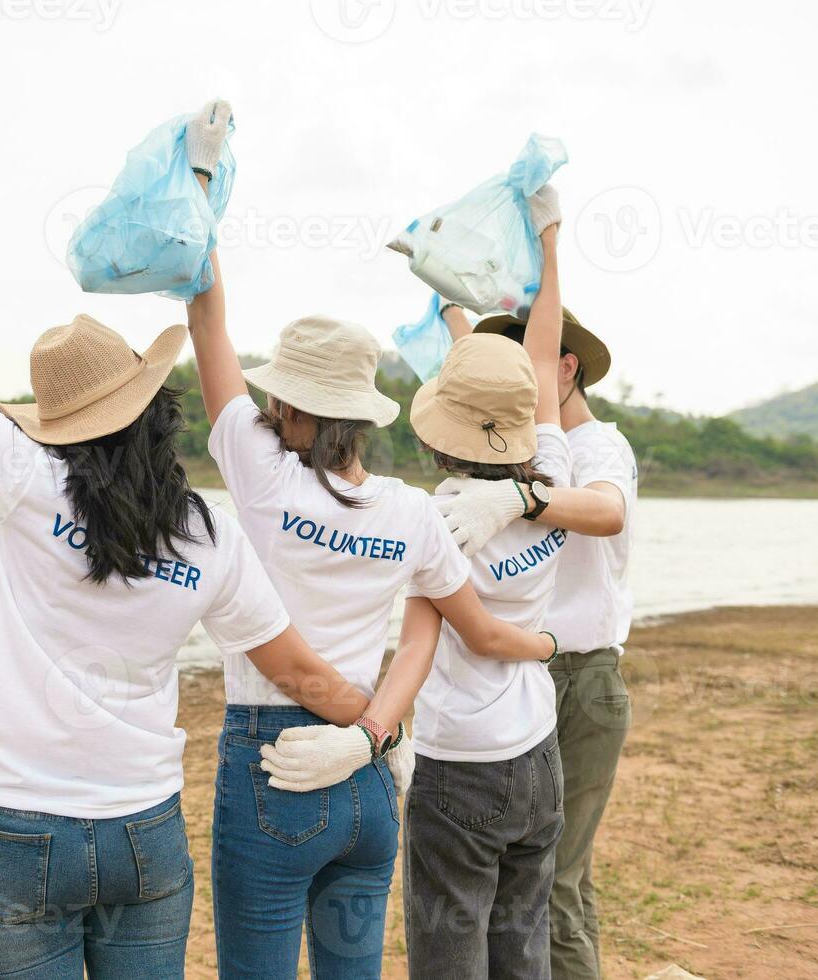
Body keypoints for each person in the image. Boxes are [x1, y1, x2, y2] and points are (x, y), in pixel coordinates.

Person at [0, 172, 384, 979]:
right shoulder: (210, 538)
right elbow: (302, 671)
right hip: (142, 830)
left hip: (16, 826)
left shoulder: (24, 481)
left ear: (59, 426)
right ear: (152, 411)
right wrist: (381, 731)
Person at [178, 99, 557, 979]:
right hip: (366, 776)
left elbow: (207, 325)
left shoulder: (263, 475)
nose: (266, 407)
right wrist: (378, 729)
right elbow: (442, 627)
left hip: (272, 762)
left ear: (290, 407)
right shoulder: (409, 510)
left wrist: (200, 182)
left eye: (277, 398)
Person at [441, 306, 635, 980]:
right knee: (519, 879)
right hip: (530, 677)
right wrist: (452, 313)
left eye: (525, 371)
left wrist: (521, 500)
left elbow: (605, 511)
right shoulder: (527, 447)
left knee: (555, 879)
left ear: (564, 369)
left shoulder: (593, 447)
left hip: (578, 676)